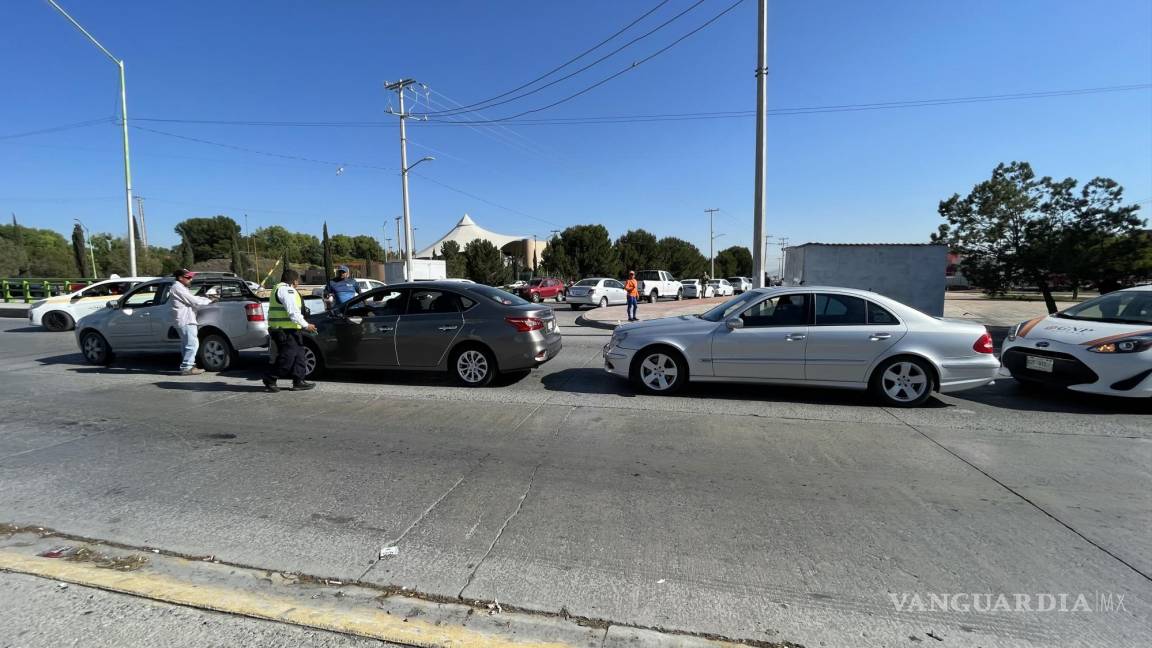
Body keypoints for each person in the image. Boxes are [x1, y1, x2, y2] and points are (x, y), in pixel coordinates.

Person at [263, 268, 318, 393]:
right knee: (287, 359)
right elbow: (293, 312)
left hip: (291, 330)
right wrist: (306, 325)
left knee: (300, 357)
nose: (298, 283)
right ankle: (269, 379)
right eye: (298, 280)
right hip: (285, 331)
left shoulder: (280, 288)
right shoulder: (286, 290)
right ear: (294, 280)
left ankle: (299, 381)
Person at [169, 269, 217, 376]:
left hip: (184, 319)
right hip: (185, 320)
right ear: (180, 278)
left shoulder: (181, 288)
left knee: (186, 344)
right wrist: (209, 301)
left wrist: (206, 298)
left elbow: (193, 298)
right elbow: (194, 301)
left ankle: (188, 365)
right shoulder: (177, 288)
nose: (191, 279)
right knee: (192, 344)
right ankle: (187, 367)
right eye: (188, 277)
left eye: (191, 277)